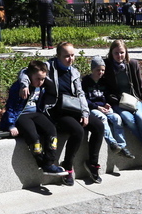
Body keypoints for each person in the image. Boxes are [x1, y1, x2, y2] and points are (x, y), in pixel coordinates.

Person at [34, 42, 96, 187]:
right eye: (66, 56)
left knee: (98, 126)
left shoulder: (74, 71)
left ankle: (93, 163)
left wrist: (85, 112)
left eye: (72, 55)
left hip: (73, 108)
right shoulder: (48, 67)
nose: (70, 59)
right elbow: (26, 71)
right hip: (57, 110)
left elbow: (80, 93)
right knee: (78, 131)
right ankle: (68, 166)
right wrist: (24, 84)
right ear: (58, 56)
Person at [103, 39, 142, 171]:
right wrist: (114, 99)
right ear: (111, 53)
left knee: (141, 119)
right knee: (128, 119)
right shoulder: (107, 66)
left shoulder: (132, 64)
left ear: (126, 52)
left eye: (121, 52)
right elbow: (105, 89)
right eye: (116, 53)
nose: (119, 56)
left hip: (135, 100)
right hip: (119, 103)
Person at [1, 60, 67, 177]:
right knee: (34, 137)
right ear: (29, 76)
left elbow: (52, 90)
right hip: (21, 115)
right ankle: (42, 163)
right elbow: (11, 107)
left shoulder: (42, 86)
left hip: (36, 113)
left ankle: (49, 162)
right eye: (38, 79)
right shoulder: (19, 87)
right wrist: (11, 125)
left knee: (51, 130)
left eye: (43, 79)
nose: (40, 82)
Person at [82, 56, 134, 162]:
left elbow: (106, 96)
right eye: (98, 70)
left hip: (103, 107)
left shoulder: (104, 82)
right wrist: (97, 107)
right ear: (92, 69)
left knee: (117, 118)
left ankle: (122, 146)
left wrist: (107, 104)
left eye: (102, 70)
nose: (100, 72)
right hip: (93, 108)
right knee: (102, 119)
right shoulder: (85, 81)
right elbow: (84, 100)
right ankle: (112, 143)